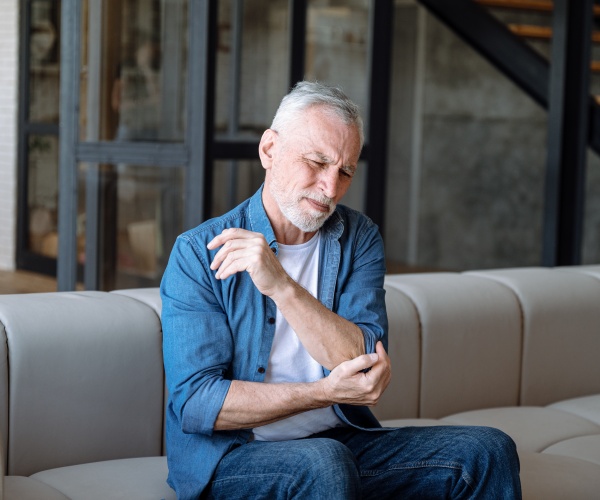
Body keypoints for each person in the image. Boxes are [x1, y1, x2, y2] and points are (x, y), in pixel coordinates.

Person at [160, 81, 522, 499]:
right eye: (316, 162)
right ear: (269, 150)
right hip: (235, 459)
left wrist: (282, 286)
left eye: (345, 170)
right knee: (323, 463)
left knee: (486, 450)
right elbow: (198, 404)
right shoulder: (198, 252)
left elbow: (361, 365)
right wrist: (322, 393)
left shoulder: (359, 237)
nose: (330, 188)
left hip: (341, 442)